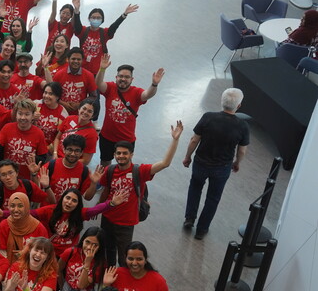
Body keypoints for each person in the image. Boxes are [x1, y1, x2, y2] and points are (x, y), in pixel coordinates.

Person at [99, 122, 183, 266]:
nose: (121, 156)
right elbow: (106, 191)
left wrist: (175, 140)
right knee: (108, 252)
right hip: (107, 219)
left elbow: (164, 163)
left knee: (124, 258)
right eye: (118, 153)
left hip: (126, 223)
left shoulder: (140, 171)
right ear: (114, 155)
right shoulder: (110, 170)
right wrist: (99, 208)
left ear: (131, 154)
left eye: (125, 153)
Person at [182, 88, 249, 239]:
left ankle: (189, 219)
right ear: (238, 106)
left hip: (201, 163)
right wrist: (237, 163)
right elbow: (242, 151)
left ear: (222, 101)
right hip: (222, 167)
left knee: (195, 188)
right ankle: (202, 229)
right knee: (213, 197)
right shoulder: (242, 126)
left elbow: (194, 140)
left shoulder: (208, 117)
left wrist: (187, 156)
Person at [95, 54, 164, 166]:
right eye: (120, 76)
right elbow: (98, 84)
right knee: (105, 162)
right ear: (116, 77)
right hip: (107, 137)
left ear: (131, 79)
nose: (123, 79)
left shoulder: (136, 92)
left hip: (126, 139)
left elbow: (147, 94)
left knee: (124, 164)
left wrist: (154, 84)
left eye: (127, 77)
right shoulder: (110, 88)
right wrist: (102, 69)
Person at [72, 0, 139, 74]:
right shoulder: (83, 31)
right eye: (93, 17)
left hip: (97, 72)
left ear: (102, 20)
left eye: (98, 18)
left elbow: (114, 26)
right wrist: (76, 10)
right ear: (89, 19)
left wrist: (124, 15)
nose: (95, 19)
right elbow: (77, 24)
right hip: (81, 70)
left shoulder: (104, 33)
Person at [0, 192, 49, 264]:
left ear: (27, 207)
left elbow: (44, 254)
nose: (16, 209)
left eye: (20, 206)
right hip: (10, 269)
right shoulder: (4, 225)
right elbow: (2, 252)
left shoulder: (38, 228)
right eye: (12, 206)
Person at [52, 47, 98, 115]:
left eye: (78, 59)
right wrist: (63, 103)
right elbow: (52, 94)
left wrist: (81, 104)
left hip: (80, 115)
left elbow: (94, 96)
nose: (76, 61)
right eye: (73, 59)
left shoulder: (89, 76)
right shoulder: (58, 74)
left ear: (82, 60)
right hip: (60, 114)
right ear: (68, 59)